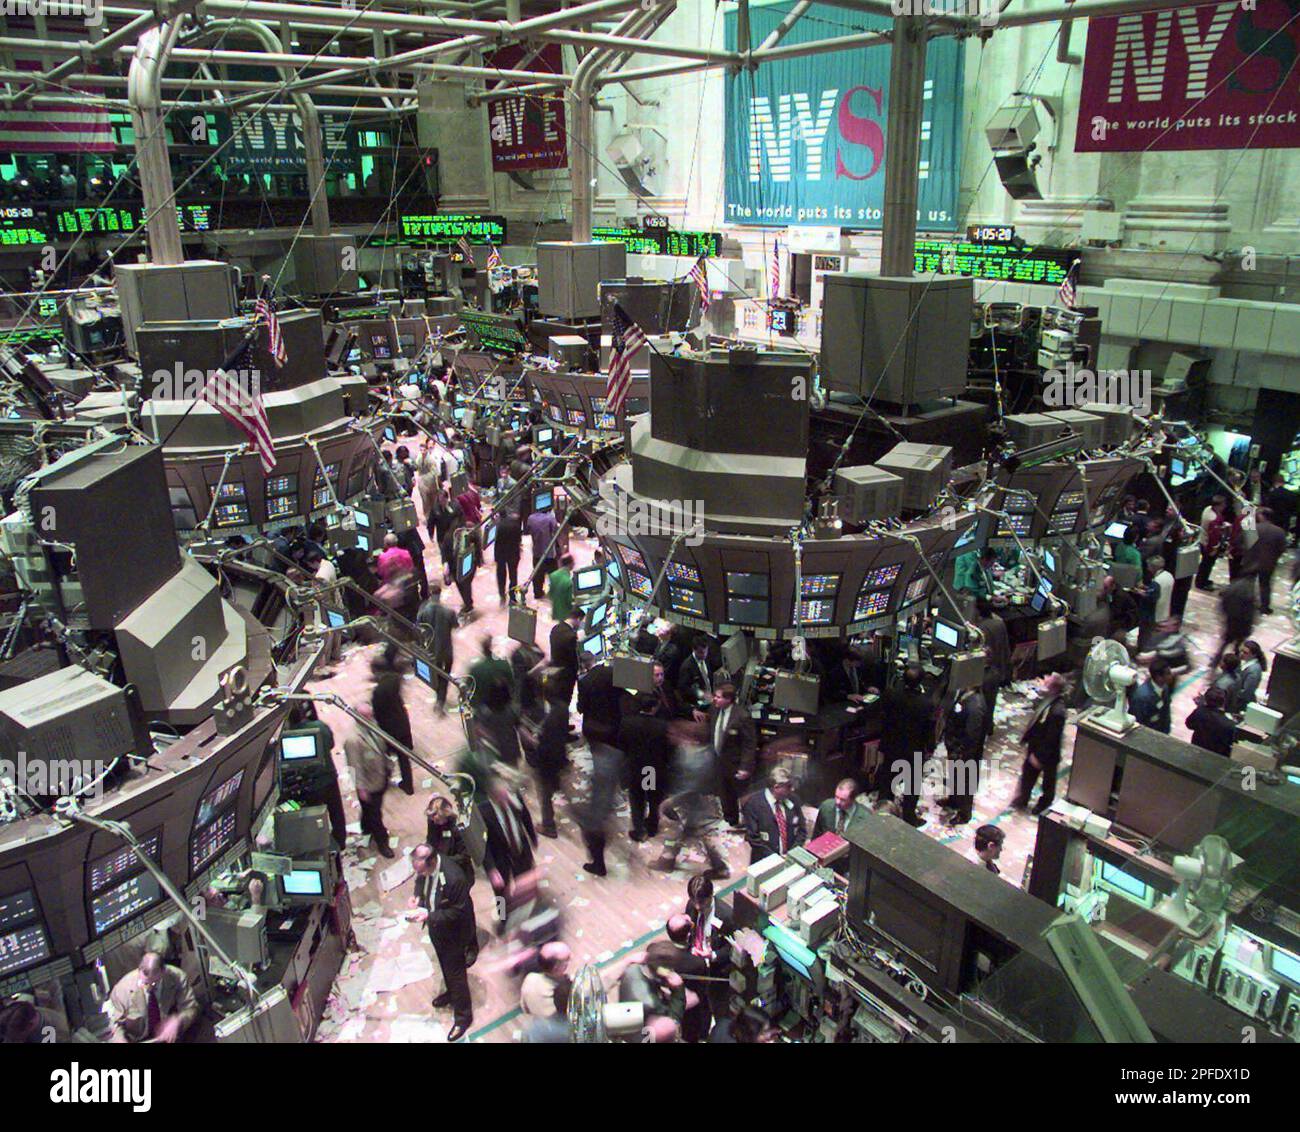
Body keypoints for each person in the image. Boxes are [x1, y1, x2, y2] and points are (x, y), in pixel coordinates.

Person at [410, 842, 477, 1043]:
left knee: (456, 973)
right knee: (445, 967)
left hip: (455, 933)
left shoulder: (454, 878)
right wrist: (417, 897)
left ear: (431, 862)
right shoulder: (427, 870)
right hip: (437, 929)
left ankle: (463, 1017)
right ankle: (451, 994)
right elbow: (420, 881)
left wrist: (428, 916)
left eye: (421, 870)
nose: (419, 874)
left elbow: (457, 912)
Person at [652, 719, 730, 880]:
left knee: (684, 832)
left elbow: (690, 785)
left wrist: (671, 801)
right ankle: (668, 860)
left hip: (693, 804)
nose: (670, 736)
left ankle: (720, 867)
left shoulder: (690, 755)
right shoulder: (706, 751)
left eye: (673, 734)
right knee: (686, 833)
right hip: (698, 803)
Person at [874, 663, 935, 827]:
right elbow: (929, 730)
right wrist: (930, 749)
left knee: (887, 781)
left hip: (892, 745)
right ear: (921, 682)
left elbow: (885, 720)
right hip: (914, 749)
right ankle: (908, 816)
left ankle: (882, 812)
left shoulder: (891, 695)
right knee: (912, 785)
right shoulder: (926, 704)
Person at [477, 773, 539, 933]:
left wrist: (532, 838)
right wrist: (491, 869)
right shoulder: (482, 812)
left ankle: (529, 912)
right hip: (500, 859)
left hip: (520, 850)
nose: (508, 798)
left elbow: (525, 816)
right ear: (494, 797)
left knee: (526, 883)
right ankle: (504, 920)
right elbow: (482, 845)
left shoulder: (514, 796)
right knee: (501, 894)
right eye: (503, 796)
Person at [283, 701, 346, 850]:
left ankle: (322, 845)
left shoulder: (286, 737)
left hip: (309, 786)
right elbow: (331, 744)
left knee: (316, 817)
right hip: (329, 778)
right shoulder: (320, 726)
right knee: (336, 812)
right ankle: (341, 841)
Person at [108, 952, 200, 1043]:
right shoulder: (122, 989)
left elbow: (191, 1008)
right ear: (139, 970)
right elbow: (114, 1023)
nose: (149, 987)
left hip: (169, 1037)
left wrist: (178, 1020)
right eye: (145, 983)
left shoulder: (177, 977)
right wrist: (119, 1039)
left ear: (163, 971)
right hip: (137, 1039)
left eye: (154, 984)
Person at [1011, 673, 1068, 815]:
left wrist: (1039, 756)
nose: (1044, 679)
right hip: (1035, 745)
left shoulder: (1057, 711)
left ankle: (1043, 804)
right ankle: (1023, 798)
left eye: (1047, 680)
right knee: (1028, 775)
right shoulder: (1047, 699)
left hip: (1047, 752)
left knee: (1048, 781)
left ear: (1053, 688)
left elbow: (1052, 738)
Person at [620, 691, 671, 842]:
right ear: (654, 707)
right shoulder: (662, 726)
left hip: (635, 766)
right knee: (653, 798)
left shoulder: (627, 722)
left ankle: (638, 829)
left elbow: (622, 744)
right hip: (653, 769)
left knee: (637, 799)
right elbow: (667, 751)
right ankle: (652, 826)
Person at [345, 706, 395, 857]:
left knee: (369, 809)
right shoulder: (353, 740)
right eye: (367, 716)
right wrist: (361, 788)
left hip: (380, 776)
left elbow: (381, 748)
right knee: (375, 814)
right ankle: (382, 842)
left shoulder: (372, 725)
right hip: (369, 783)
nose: (371, 718)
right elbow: (355, 766)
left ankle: (366, 828)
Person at [704, 682, 755, 828]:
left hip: (736, 764)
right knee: (725, 795)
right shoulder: (714, 710)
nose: (714, 699)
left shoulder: (742, 717)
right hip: (719, 762)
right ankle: (730, 822)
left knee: (741, 796)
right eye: (715, 696)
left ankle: (751, 824)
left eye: (718, 697)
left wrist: (745, 767)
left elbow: (749, 744)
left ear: (729, 699)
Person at [939, 677, 987, 826]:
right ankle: (954, 800)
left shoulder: (976, 705)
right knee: (955, 777)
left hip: (965, 753)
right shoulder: (965, 694)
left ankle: (964, 813)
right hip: (955, 747)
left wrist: (961, 754)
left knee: (966, 783)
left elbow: (972, 735)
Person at [527, 674, 570, 837]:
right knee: (553, 785)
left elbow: (545, 747)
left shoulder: (549, 719)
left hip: (547, 762)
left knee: (544, 796)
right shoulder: (563, 707)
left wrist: (534, 743)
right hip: (560, 757)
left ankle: (548, 826)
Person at [370, 645, 415, 795]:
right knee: (404, 758)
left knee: (383, 755)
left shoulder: (378, 691)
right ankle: (408, 785)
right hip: (402, 723)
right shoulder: (395, 680)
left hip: (389, 729)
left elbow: (377, 713)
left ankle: (385, 780)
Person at [740, 766, 807, 862]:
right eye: (788, 786)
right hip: (764, 861)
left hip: (790, 859)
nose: (792, 789)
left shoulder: (793, 799)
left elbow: (802, 830)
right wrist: (776, 859)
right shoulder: (753, 804)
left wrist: (792, 854)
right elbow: (753, 838)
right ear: (776, 787)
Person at [417, 581, 458, 713]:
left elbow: (419, 629)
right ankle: (441, 699)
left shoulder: (423, 612)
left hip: (432, 650)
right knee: (445, 675)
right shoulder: (449, 612)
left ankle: (439, 697)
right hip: (447, 650)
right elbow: (455, 626)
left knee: (436, 674)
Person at [1212, 570, 1258, 669]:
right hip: (1242, 623)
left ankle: (1215, 661)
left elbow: (1223, 600)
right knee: (1238, 646)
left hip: (1231, 620)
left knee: (1225, 643)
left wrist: (1225, 614)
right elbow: (1250, 610)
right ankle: (1235, 665)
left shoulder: (1233, 586)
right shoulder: (1250, 591)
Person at [1245, 508, 1287, 614]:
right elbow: (1282, 549)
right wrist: (1274, 557)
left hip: (1252, 560)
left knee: (1249, 582)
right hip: (1269, 562)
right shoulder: (1280, 532)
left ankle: (1245, 602)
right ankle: (1264, 607)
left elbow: (1246, 544)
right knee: (1265, 585)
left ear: (1262, 516)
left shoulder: (1254, 528)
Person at [424, 795, 475, 882]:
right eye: (432, 819)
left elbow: (464, 856)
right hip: (439, 867)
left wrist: (441, 861)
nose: (434, 821)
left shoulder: (459, 828)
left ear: (445, 815)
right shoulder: (432, 821)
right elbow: (431, 840)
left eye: (437, 819)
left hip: (459, 871)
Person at [520, 942, 571, 1019]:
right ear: (557, 967)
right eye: (567, 959)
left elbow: (525, 1008)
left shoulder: (530, 979)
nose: (571, 959)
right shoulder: (563, 993)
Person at [548, 607, 583, 708]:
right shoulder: (571, 636)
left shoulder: (556, 628)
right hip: (566, 676)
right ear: (578, 619)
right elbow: (573, 659)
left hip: (555, 670)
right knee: (565, 700)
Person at [466, 635, 512, 712]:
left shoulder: (476, 669)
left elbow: (469, 692)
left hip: (484, 709)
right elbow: (512, 685)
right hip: (504, 707)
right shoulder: (504, 664)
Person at [1186, 687, 1236, 756]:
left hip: (1197, 748)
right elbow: (1230, 742)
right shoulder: (1228, 724)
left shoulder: (1199, 711)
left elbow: (1189, 724)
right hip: (1216, 755)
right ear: (1223, 702)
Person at [1129, 657, 1174, 733]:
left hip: (1162, 731)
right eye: (1168, 673)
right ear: (1159, 677)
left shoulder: (1165, 687)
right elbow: (1137, 722)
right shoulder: (1141, 697)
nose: (1171, 675)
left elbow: (1166, 710)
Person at [1195, 495, 1228, 591]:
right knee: (1207, 564)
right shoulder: (1214, 519)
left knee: (1204, 564)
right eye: (1223, 505)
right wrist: (1214, 549)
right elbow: (1213, 537)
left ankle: (1201, 580)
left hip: (1202, 539)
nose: (1224, 507)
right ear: (1218, 506)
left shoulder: (1208, 509)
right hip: (1208, 544)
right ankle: (1202, 583)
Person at [526, 506, 559, 599]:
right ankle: (555, 592)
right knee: (553, 574)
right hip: (549, 552)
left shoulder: (531, 518)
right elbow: (555, 530)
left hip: (537, 551)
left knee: (538, 575)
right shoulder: (550, 518)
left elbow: (528, 530)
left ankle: (538, 592)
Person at [677, 636, 716, 709]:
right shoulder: (687, 666)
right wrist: (701, 694)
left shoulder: (707, 658)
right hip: (696, 703)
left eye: (705, 652)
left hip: (710, 698)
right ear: (694, 650)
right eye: (700, 652)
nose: (704, 655)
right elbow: (683, 688)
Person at [494, 509, 523, 603]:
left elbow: (497, 543)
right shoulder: (515, 523)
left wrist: (496, 557)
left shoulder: (499, 526)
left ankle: (502, 596)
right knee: (513, 576)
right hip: (514, 553)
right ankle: (512, 597)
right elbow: (519, 539)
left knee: (501, 576)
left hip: (501, 555)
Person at [1235, 639, 1267, 711]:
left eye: (1245, 652)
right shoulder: (1245, 663)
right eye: (1241, 651)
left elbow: (1247, 692)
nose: (1241, 654)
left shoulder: (1254, 671)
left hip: (1241, 704)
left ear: (1254, 655)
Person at [549, 553, 575, 622]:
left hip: (555, 610)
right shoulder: (568, 582)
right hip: (565, 614)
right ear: (570, 564)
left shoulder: (553, 575)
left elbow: (550, 594)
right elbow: (569, 601)